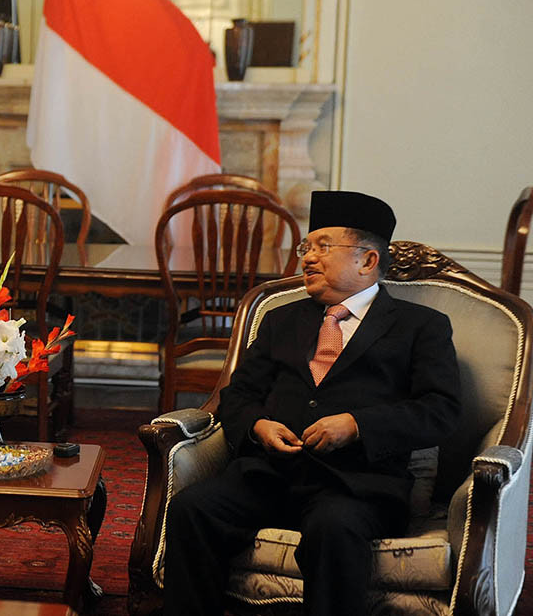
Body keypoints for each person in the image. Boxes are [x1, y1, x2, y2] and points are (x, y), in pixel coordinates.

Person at [163, 190, 461, 616]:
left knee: (332, 529)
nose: (308, 258)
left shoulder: (421, 327)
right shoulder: (281, 318)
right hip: (269, 474)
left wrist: (357, 425)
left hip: (356, 485)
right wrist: (257, 426)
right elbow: (238, 395)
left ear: (367, 260)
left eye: (324, 247)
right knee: (192, 509)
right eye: (307, 247)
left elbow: (442, 409)